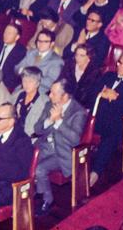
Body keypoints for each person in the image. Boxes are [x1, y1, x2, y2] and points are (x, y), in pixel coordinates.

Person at [34, 79, 87, 215]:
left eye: (53, 93)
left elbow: (75, 140)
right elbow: (38, 129)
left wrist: (58, 121)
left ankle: (47, 200)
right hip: (44, 147)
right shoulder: (49, 105)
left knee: (40, 169)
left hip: (62, 153)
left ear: (65, 96)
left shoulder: (78, 112)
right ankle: (34, 194)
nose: (49, 95)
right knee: (21, 159)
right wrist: (49, 121)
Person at [90, 53, 123, 187]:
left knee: (111, 136)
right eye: (119, 62)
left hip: (116, 121)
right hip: (95, 117)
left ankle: (95, 172)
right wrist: (102, 94)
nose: (120, 66)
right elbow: (91, 93)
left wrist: (117, 98)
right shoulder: (108, 76)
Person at [10, 67, 50, 138]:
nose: (26, 84)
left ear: (37, 83)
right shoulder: (18, 94)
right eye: (24, 81)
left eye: (30, 81)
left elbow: (35, 129)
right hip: (10, 130)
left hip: (26, 136)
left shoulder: (44, 102)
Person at [59, 44, 103, 109]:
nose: (77, 58)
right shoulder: (69, 66)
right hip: (63, 99)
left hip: (80, 105)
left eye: (82, 56)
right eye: (76, 55)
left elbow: (90, 95)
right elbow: (61, 82)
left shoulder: (95, 74)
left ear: (89, 58)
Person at [0, 23, 27, 91]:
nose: (5, 35)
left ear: (17, 37)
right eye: (5, 32)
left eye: (9, 33)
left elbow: (15, 75)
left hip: (5, 83)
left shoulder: (21, 52)